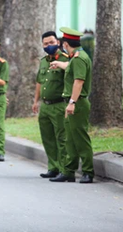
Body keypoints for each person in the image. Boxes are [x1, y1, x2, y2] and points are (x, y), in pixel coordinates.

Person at [49, 27, 95, 184]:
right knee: (70, 139)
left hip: (78, 103)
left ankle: (88, 172)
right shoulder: (76, 58)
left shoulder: (79, 59)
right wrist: (58, 63)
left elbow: (79, 81)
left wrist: (72, 102)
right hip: (72, 103)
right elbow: (70, 67)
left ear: (66, 44)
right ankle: (69, 171)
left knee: (81, 139)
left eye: (63, 44)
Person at [33, 31, 69, 178]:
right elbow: (39, 82)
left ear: (58, 42)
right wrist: (35, 101)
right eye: (46, 44)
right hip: (45, 106)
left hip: (59, 105)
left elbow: (72, 71)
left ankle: (64, 169)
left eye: (52, 42)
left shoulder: (65, 60)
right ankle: (53, 167)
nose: (49, 46)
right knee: (47, 138)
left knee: (61, 138)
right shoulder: (43, 61)